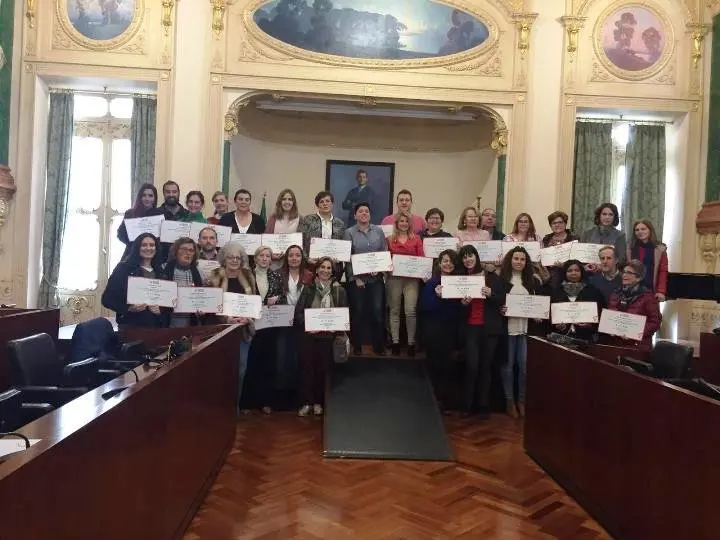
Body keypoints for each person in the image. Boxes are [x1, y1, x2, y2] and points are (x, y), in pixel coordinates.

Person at [294, 256, 348, 417]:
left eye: (329, 268)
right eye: (322, 267)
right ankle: (306, 402)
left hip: (327, 338)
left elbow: (344, 315)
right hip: (308, 336)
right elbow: (298, 313)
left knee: (321, 370)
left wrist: (336, 328)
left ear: (333, 271)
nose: (325, 270)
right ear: (316, 270)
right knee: (306, 369)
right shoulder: (308, 288)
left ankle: (318, 402)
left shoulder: (339, 290)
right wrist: (308, 326)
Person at [458, 244, 506, 420]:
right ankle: (467, 406)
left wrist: (491, 293)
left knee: (486, 367)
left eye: (470, 256)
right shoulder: (461, 278)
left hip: (489, 328)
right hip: (471, 327)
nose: (468, 259)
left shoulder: (491, 276)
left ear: (476, 257)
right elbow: (457, 308)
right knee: (471, 367)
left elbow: (501, 299)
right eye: (464, 257)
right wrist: (463, 304)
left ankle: (483, 406)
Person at [206, 242, 255, 408]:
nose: (234, 260)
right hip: (220, 332)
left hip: (242, 332)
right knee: (219, 371)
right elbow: (210, 304)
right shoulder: (214, 275)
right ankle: (219, 408)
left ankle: (235, 408)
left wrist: (247, 317)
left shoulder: (248, 276)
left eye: (238, 258)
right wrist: (227, 319)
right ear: (223, 258)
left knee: (240, 371)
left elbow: (255, 302)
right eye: (230, 257)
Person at [241, 245, 286, 414]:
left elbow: (282, 295)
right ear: (255, 258)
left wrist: (277, 298)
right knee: (251, 363)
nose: (265, 259)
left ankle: (266, 401)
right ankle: (247, 402)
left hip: (269, 325)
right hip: (251, 324)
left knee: (268, 362)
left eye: (268, 256)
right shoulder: (247, 275)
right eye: (262, 256)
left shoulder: (276, 275)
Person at [498, 247, 541, 419]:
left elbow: (536, 304)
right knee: (508, 367)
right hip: (507, 329)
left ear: (526, 262)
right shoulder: (501, 280)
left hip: (523, 331)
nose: (519, 262)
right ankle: (509, 401)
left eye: (522, 259)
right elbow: (496, 303)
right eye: (516, 258)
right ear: (510, 260)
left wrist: (538, 314)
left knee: (523, 367)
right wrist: (500, 309)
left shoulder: (532, 281)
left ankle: (521, 401)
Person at [344, 202, 388, 355]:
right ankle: (357, 345)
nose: (364, 214)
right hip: (357, 280)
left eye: (366, 211)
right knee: (358, 313)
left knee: (377, 312)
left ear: (370, 214)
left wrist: (380, 268)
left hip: (375, 280)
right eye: (360, 211)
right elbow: (347, 257)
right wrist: (355, 277)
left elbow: (384, 251)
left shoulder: (378, 231)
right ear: (355, 215)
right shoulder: (349, 232)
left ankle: (378, 346)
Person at [420, 249, 460, 410]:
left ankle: (446, 401)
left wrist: (463, 304)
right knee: (434, 365)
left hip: (451, 330)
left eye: (451, 261)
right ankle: (433, 399)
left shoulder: (460, 282)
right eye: (445, 261)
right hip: (434, 330)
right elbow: (424, 307)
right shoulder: (432, 282)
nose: (448, 264)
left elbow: (459, 310)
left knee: (448, 366)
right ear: (439, 263)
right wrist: (436, 296)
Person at [276, 245, 313, 409]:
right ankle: (282, 396)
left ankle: (298, 397)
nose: (294, 258)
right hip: (282, 322)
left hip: (301, 322)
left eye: (297, 255)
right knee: (282, 358)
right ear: (286, 258)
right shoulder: (278, 274)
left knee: (300, 358)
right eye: (291, 255)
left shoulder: (309, 275)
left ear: (302, 258)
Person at [102, 232, 164, 329]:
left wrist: (161, 310)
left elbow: (166, 302)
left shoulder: (161, 271)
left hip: (156, 327)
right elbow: (107, 299)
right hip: (130, 327)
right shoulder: (123, 268)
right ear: (137, 248)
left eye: (152, 245)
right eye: (144, 245)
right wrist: (129, 308)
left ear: (156, 248)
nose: (148, 248)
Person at [386, 211, 424, 356]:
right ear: (396, 223)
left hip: (411, 280)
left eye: (406, 221)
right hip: (394, 279)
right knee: (394, 310)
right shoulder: (389, 239)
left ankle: (411, 343)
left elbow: (421, 259)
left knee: (410, 311)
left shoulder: (416, 239)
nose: (403, 223)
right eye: (401, 221)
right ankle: (395, 342)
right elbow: (386, 259)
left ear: (410, 224)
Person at [606, 260, 662, 352]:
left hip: (638, 347)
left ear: (638, 277)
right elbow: (610, 315)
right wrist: (610, 327)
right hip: (616, 344)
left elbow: (655, 322)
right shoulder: (615, 293)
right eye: (624, 272)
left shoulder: (648, 297)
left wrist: (635, 333)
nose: (624, 275)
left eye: (629, 273)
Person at [550, 259, 605, 342]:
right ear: (564, 273)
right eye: (569, 271)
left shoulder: (592, 291)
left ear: (582, 272)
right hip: (561, 340)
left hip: (585, 339)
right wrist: (557, 325)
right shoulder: (557, 292)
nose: (573, 273)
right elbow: (551, 315)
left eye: (577, 270)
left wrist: (591, 325)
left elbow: (601, 314)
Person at [161, 237, 204, 327]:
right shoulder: (163, 268)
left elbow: (202, 297)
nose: (188, 253)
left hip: (191, 322)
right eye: (184, 249)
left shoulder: (199, 272)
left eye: (191, 250)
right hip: (167, 321)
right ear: (176, 251)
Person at [116, 183, 164, 259]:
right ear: (140, 197)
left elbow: (163, 237)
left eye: (150, 196)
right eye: (144, 195)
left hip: (153, 255)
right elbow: (120, 234)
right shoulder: (130, 213)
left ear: (155, 198)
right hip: (132, 254)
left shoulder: (160, 214)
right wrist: (135, 244)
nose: (147, 198)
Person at [627, 219, 668, 301]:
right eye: (637, 230)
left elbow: (663, 271)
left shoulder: (660, 249)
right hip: (633, 291)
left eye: (643, 229)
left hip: (652, 290)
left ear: (650, 230)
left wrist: (661, 291)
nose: (640, 232)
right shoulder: (630, 250)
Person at [299, 190, 346, 258]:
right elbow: (300, 241)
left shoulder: (340, 223)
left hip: (333, 264)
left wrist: (340, 257)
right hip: (312, 262)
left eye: (327, 201)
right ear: (318, 205)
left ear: (332, 204)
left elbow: (343, 245)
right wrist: (306, 259)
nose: (325, 204)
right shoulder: (308, 220)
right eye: (321, 202)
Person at [542, 211, 579, 288]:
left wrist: (564, 265)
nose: (557, 225)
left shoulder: (574, 238)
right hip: (549, 279)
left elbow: (578, 261)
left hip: (568, 278)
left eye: (560, 222)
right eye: (554, 223)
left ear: (565, 224)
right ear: (550, 225)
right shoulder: (546, 239)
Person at [266, 188, 302, 268]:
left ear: (293, 202)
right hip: (275, 262)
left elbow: (303, 243)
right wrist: (271, 254)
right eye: (284, 199)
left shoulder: (300, 219)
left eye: (290, 199)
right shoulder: (273, 218)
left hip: (293, 264)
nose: (287, 202)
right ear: (280, 202)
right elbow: (266, 240)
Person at [158, 181, 190, 261]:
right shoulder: (156, 214)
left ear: (179, 193)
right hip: (161, 259)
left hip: (183, 259)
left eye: (174, 192)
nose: (171, 194)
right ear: (163, 194)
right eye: (168, 192)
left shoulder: (187, 214)